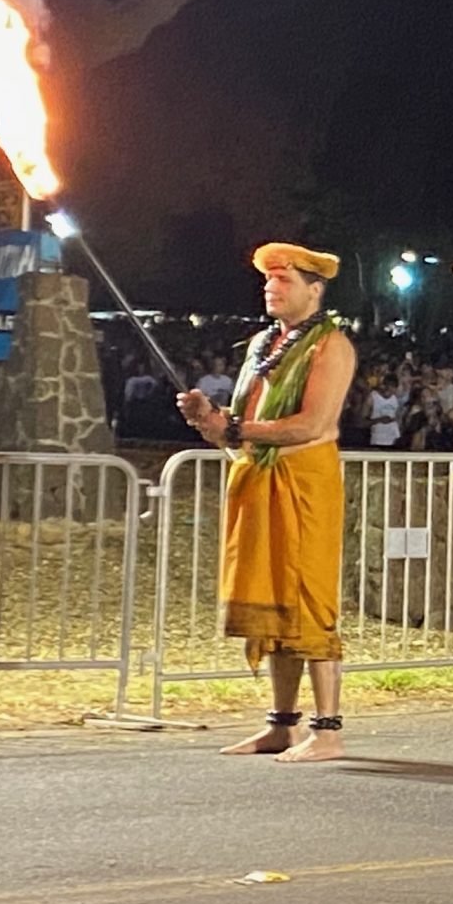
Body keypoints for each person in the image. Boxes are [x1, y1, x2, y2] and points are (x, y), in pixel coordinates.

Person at [176, 244, 358, 762]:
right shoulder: (261, 344)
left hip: (304, 484)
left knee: (307, 602)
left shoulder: (332, 346)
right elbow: (237, 433)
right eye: (268, 282)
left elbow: (312, 424)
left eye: (284, 281)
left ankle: (328, 731)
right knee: (273, 605)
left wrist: (232, 426)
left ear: (314, 289)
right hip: (258, 481)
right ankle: (281, 724)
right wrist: (209, 418)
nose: (271, 288)